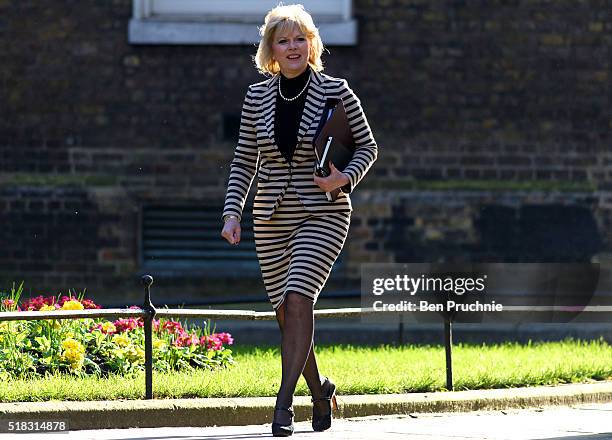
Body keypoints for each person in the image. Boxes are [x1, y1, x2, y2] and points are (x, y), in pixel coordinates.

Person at [220, 4, 377, 436]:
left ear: (312, 44)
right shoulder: (256, 96)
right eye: (283, 40)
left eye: (300, 38)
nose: (293, 47)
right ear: (270, 49)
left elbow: (368, 147)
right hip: (270, 217)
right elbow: (243, 162)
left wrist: (344, 177)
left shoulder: (336, 91)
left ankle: (283, 404)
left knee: (297, 297)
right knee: (287, 315)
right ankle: (320, 391)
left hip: (322, 213)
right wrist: (233, 211)